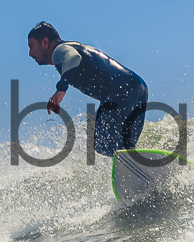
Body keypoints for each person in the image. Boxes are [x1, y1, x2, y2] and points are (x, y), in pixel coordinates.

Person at [27, 21, 148, 157]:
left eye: (31, 46)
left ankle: (131, 165)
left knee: (103, 144)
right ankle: (140, 166)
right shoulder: (72, 46)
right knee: (124, 147)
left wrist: (61, 89)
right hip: (138, 87)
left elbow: (73, 57)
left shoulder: (59, 50)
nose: (30, 53)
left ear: (45, 42)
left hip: (119, 90)